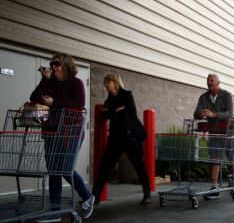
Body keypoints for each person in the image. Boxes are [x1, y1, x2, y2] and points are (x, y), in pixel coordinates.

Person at [30, 53, 95, 222]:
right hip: (51, 130)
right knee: (53, 171)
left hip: (71, 132)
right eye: (52, 63)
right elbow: (34, 98)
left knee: (65, 168)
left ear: (66, 65)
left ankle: (88, 196)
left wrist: (54, 103)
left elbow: (79, 104)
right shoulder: (50, 83)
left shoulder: (76, 83)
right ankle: (55, 212)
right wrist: (45, 79)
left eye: (57, 63)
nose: (53, 67)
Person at [92, 74, 151, 205]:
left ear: (115, 82)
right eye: (105, 82)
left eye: (108, 81)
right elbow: (103, 114)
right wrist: (117, 110)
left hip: (131, 136)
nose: (106, 84)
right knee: (105, 166)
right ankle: (94, 196)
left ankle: (147, 193)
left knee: (138, 165)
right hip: (116, 138)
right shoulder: (109, 100)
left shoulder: (126, 94)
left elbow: (131, 113)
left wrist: (113, 112)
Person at [193, 73, 234, 197]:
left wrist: (213, 115)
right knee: (214, 158)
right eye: (207, 80)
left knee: (232, 157)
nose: (209, 82)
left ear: (218, 83)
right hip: (214, 131)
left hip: (229, 131)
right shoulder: (203, 97)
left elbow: (230, 113)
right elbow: (196, 114)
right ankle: (214, 187)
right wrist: (201, 114)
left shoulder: (227, 95)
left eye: (211, 80)